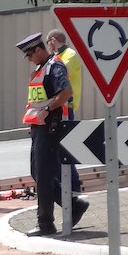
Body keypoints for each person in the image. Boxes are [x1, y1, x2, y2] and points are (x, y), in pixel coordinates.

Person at [17, 32, 88, 236]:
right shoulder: (40, 69)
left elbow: (66, 93)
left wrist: (46, 111)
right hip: (39, 128)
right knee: (37, 172)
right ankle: (73, 205)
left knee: (44, 174)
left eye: (30, 54)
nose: (29, 59)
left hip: (51, 127)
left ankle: (45, 223)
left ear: (39, 50)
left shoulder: (55, 66)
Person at [45, 29, 84, 197]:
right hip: (58, 106)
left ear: (53, 40)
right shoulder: (62, 56)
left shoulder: (70, 55)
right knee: (59, 148)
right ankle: (67, 184)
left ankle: (73, 184)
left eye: (48, 44)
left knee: (64, 148)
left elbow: (59, 70)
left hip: (66, 107)